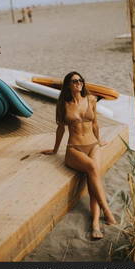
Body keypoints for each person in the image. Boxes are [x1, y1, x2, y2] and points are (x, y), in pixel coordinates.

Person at [41, 71, 116, 239]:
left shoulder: (91, 99)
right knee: (92, 168)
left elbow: (95, 122)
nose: (78, 83)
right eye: (74, 81)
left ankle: (95, 223)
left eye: (81, 80)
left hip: (93, 146)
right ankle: (107, 212)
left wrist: (99, 140)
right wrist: (55, 150)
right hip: (75, 149)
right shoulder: (63, 104)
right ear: (68, 84)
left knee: (93, 173)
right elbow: (61, 128)